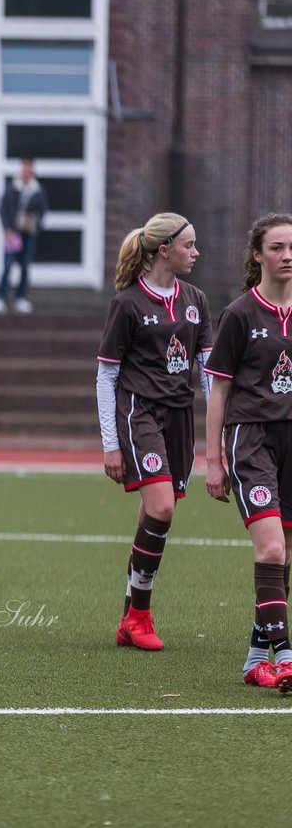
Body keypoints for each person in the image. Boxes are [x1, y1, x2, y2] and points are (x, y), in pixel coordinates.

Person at [96, 213, 210, 653]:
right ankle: (140, 616)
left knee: (157, 514)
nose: (195, 253)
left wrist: (217, 426)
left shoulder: (196, 298)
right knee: (161, 507)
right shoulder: (127, 304)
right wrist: (110, 444)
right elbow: (106, 376)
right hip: (139, 413)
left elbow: (207, 369)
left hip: (180, 417)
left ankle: (129, 614)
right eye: (189, 246)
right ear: (164, 250)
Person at [204, 212, 292, 690]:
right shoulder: (238, 314)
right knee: (272, 548)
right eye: (277, 247)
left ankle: (256, 659)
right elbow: (217, 391)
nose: (287, 256)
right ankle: (286, 657)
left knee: (284, 558)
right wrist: (213, 460)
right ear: (257, 255)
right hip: (251, 437)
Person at [0, 157, 48, 315]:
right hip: (13, 233)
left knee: (25, 266)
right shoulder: (12, 188)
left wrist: (34, 223)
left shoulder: (38, 191)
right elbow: (3, 209)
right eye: (25, 169)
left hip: (28, 234)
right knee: (7, 265)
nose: (27, 172)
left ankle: (21, 298)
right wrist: (7, 229)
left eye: (30, 169)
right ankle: (0, 297)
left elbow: (42, 211)